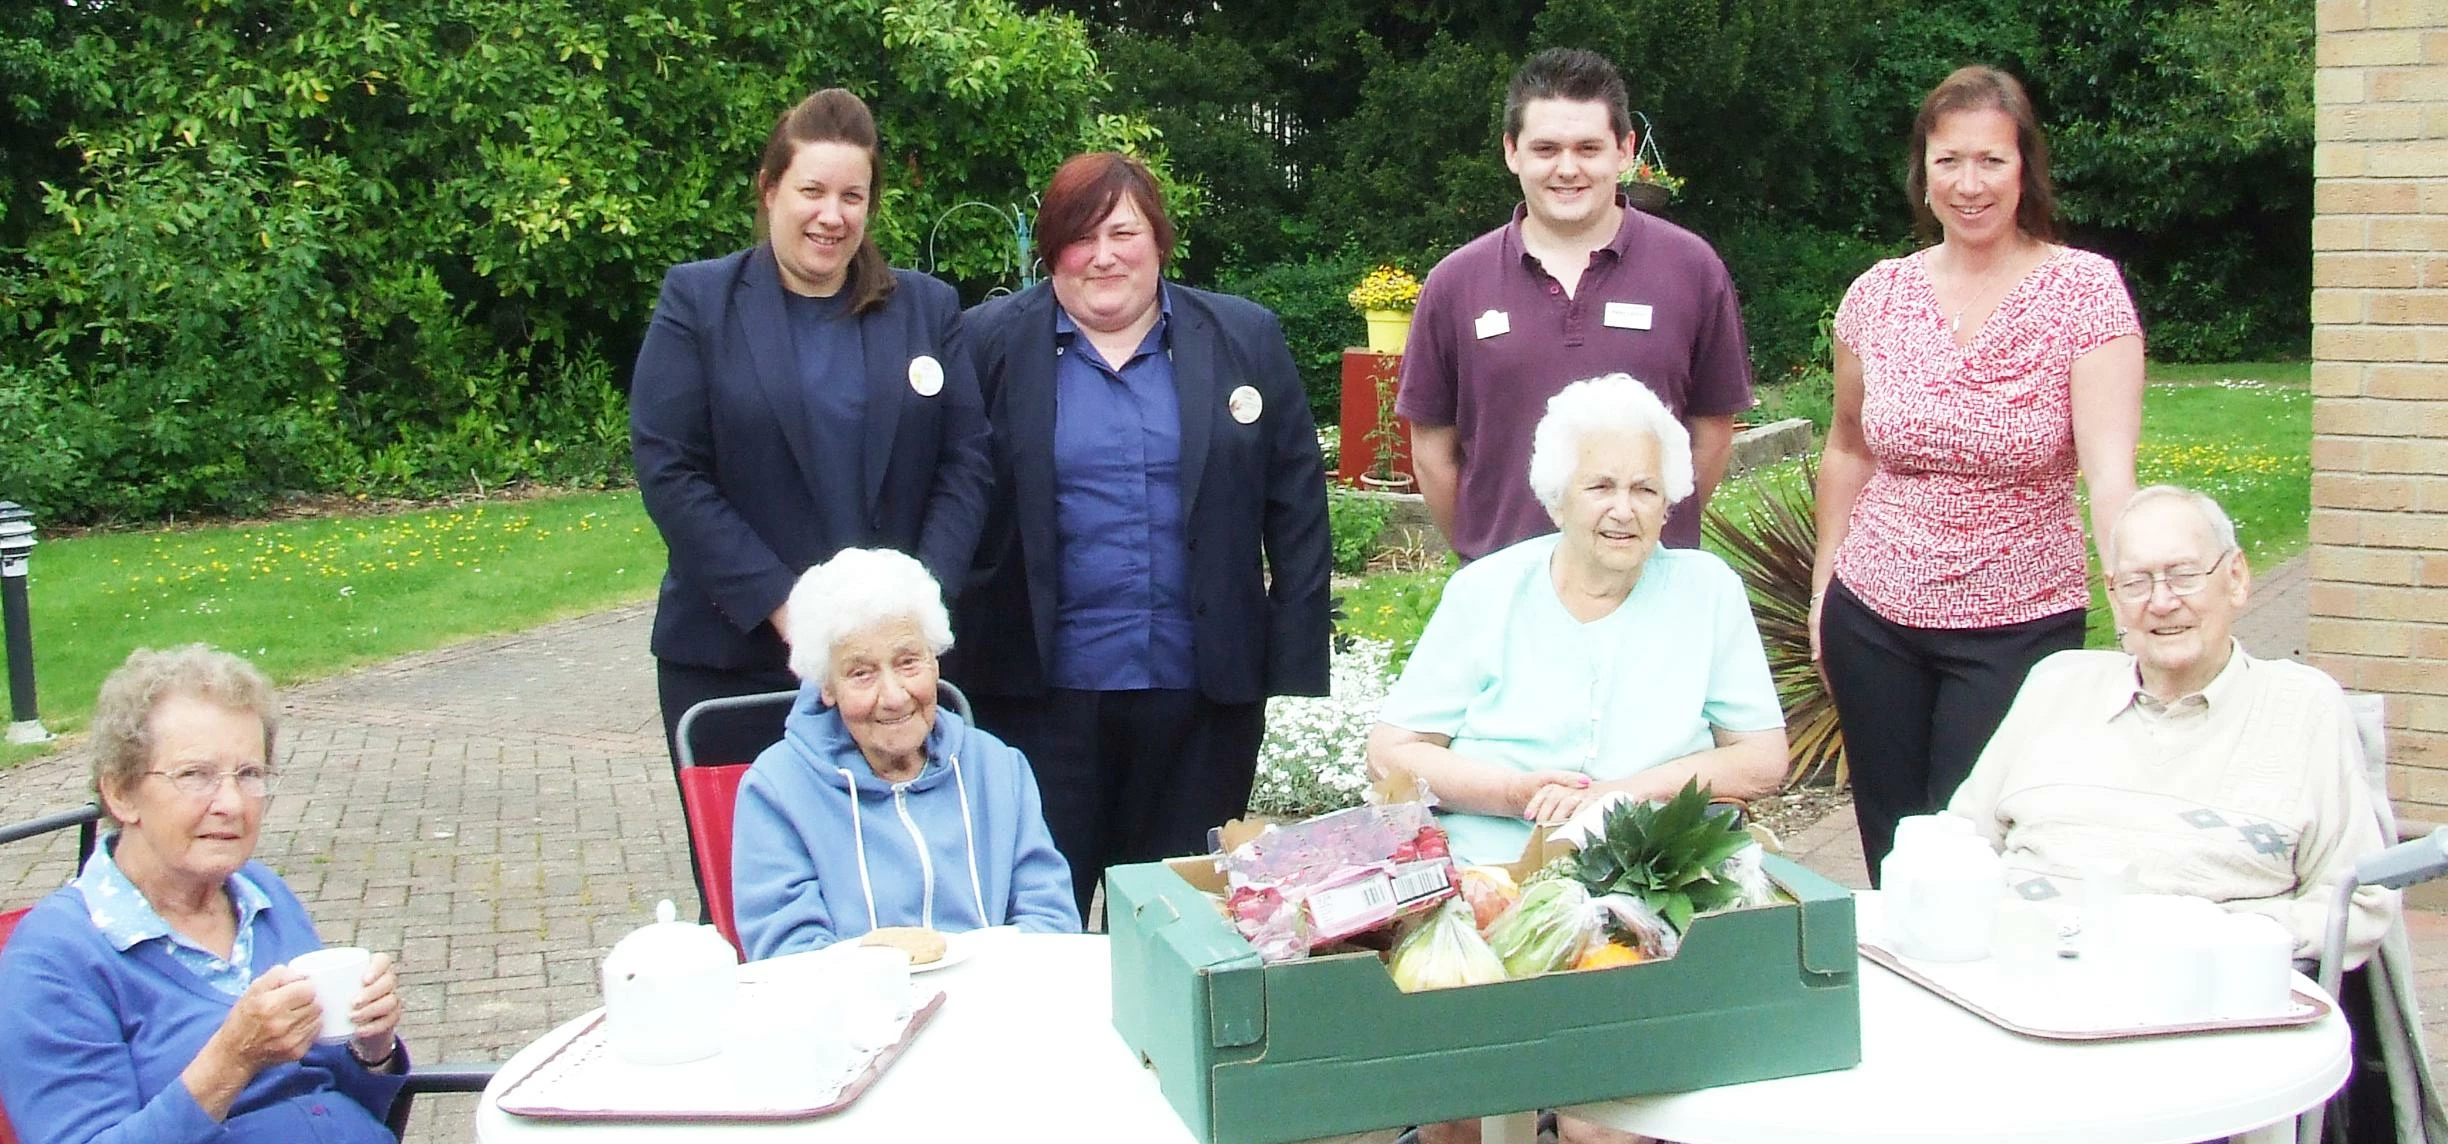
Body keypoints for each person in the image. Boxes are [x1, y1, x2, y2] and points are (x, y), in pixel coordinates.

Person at [1947, 486, 2415, 1139]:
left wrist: (2195, 940)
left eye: (2183, 575)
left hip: (2204, 1032)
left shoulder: (2303, 709)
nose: (2162, 601)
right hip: (2022, 1011)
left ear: (2236, 579)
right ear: (2114, 598)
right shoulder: (2058, 686)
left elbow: (2354, 905)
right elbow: (1956, 846)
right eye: (2137, 581)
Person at [631, 89, 992, 916]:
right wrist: (793, 615)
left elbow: (967, 465)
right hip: (734, 659)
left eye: (852, 196)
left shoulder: (927, 310)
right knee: (758, 902)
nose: (831, 216)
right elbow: (671, 469)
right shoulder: (698, 304)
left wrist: (904, 621)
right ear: (769, 190)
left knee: (899, 892)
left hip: (890, 678)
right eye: (812, 192)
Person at [945, 152, 1333, 920]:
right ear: (1050, 250)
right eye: (1078, 236)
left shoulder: (1244, 338)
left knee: (1172, 924)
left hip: (1199, 706)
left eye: (1122, 231)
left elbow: (1297, 505)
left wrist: (1286, 661)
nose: (1103, 255)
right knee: (1032, 921)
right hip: (1032, 701)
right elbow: (945, 495)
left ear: (1159, 239)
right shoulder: (983, 343)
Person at [1810, 65, 2144, 876]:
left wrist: (2135, 598)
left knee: (1975, 850)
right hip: (1875, 617)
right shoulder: (1876, 297)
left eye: (1991, 160)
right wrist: (1825, 590)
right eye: (1948, 160)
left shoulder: (2084, 293)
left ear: (2024, 167)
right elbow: (1849, 448)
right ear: (1922, 172)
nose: (1969, 184)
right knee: (1892, 853)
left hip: (2018, 622)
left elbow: (2108, 474)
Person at [1367, 374, 1788, 869]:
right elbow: (1392, 752)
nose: (1624, 511)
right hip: (1489, 869)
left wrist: (1622, 795)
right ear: (1556, 500)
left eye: (1645, 489)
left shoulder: (1708, 590)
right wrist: (1512, 792)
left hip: (1656, 867)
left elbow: (1762, 757)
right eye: (1600, 487)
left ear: (1668, 504)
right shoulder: (1486, 591)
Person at [0, 646, 409, 1143]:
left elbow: (339, 1101)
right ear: (121, 794)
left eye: (249, 774)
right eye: (195, 775)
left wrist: (374, 1048)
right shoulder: (55, 959)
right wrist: (232, 1059)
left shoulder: (262, 896)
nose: (232, 804)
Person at [1397, 47, 1754, 561]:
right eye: (1546, 149)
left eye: (1588, 147)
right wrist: (1489, 565)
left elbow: (1711, 435)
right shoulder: (1456, 283)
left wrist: (1638, 537)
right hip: (1507, 594)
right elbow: (1433, 454)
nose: (1567, 169)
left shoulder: (1693, 270)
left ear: (1625, 150)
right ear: (1512, 152)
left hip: (1647, 585)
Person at [731, 548, 1080, 960]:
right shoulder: (776, 789)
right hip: (857, 1016)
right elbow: (792, 957)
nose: (893, 697)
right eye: (862, 673)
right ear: (827, 686)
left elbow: (1052, 921)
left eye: (908, 662)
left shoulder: (999, 768)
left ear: (935, 662)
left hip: (994, 1005)